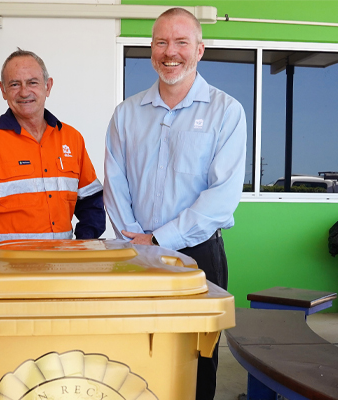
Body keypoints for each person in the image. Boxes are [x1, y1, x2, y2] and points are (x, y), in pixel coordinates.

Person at [103, 8, 246, 400]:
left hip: (199, 256)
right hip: (134, 254)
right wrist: (138, 241)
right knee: (134, 357)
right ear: (151, 50)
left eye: (181, 42)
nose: (171, 52)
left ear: (199, 49)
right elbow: (115, 187)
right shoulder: (126, 114)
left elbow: (220, 199)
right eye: (161, 42)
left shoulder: (226, 112)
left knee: (197, 361)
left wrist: (160, 239)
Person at [0, 49, 105, 246]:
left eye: (32, 82)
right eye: (14, 84)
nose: (24, 92)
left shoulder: (72, 139)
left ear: (48, 86)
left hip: (61, 267)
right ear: (3, 90)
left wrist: (81, 246)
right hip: (7, 271)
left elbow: (92, 201)